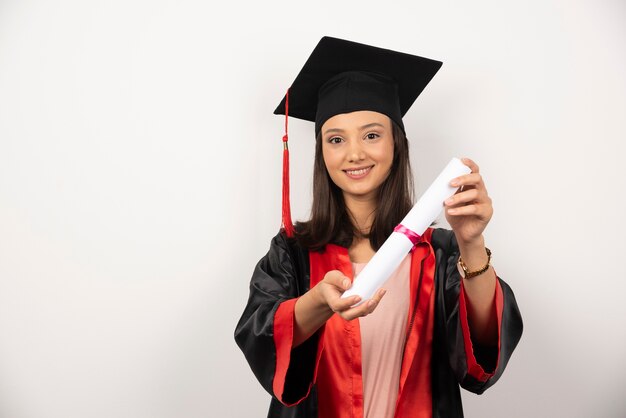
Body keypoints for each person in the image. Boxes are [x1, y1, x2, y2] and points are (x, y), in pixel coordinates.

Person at [234, 36, 523, 418]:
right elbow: (260, 336)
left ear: (396, 144)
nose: (354, 153)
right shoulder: (292, 252)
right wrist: (317, 303)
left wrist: (471, 243)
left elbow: (482, 353)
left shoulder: (439, 252)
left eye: (371, 135)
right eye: (336, 139)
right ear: (322, 152)